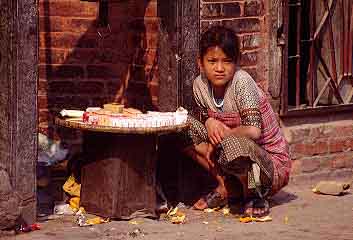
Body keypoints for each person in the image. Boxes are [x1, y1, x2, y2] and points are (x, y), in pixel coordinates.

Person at [181, 25, 291, 217]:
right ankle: (226, 187)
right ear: (200, 63)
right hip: (229, 156)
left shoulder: (242, 82)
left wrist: (222, 136)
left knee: (233, 145)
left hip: (268, 166)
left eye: (227, 61)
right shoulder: (199, 85)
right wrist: (208, 122)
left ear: (237, 62)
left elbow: (253, 131)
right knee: (181, 127)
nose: (219, 68)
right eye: (212, 61)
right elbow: (206, 117)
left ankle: (254, 194)